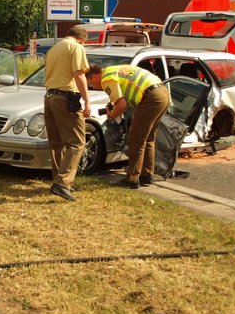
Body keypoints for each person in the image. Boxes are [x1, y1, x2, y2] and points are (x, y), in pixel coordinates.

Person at [86, 63, 169, 189]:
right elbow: (125, 98)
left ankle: (132, 179)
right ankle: (146, 175)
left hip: (151, 97)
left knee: (135, 139)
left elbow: (121, 105)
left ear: (94, 77)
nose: (93, 87)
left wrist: (111, 115)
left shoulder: (107, 79)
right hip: (162, 92)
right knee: (148, 138)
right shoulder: (114, 69)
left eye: (90, 84)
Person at [43, 25, 91, 202]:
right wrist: (87, 100)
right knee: (77, 142)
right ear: (82, 39)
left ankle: (60, 180)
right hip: (65, 97)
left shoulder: (54, 48)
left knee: (56, 142)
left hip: (49, 97)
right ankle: (63, 183)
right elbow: (79, 75)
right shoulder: (76, 47)